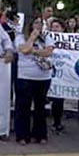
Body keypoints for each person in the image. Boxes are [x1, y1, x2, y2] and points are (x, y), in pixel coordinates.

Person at [14, 17, 55, 145]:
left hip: (43, 77)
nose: (39, 25)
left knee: (40, 107)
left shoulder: (47, 37)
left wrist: (34, 51)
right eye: (36, 22)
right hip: (25, 76)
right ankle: (22, 135)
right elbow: (24, 50)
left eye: (41, 23)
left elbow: (48, 52)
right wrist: (32, 38)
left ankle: (40, 134)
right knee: (23, 106)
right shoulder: (20, 37)